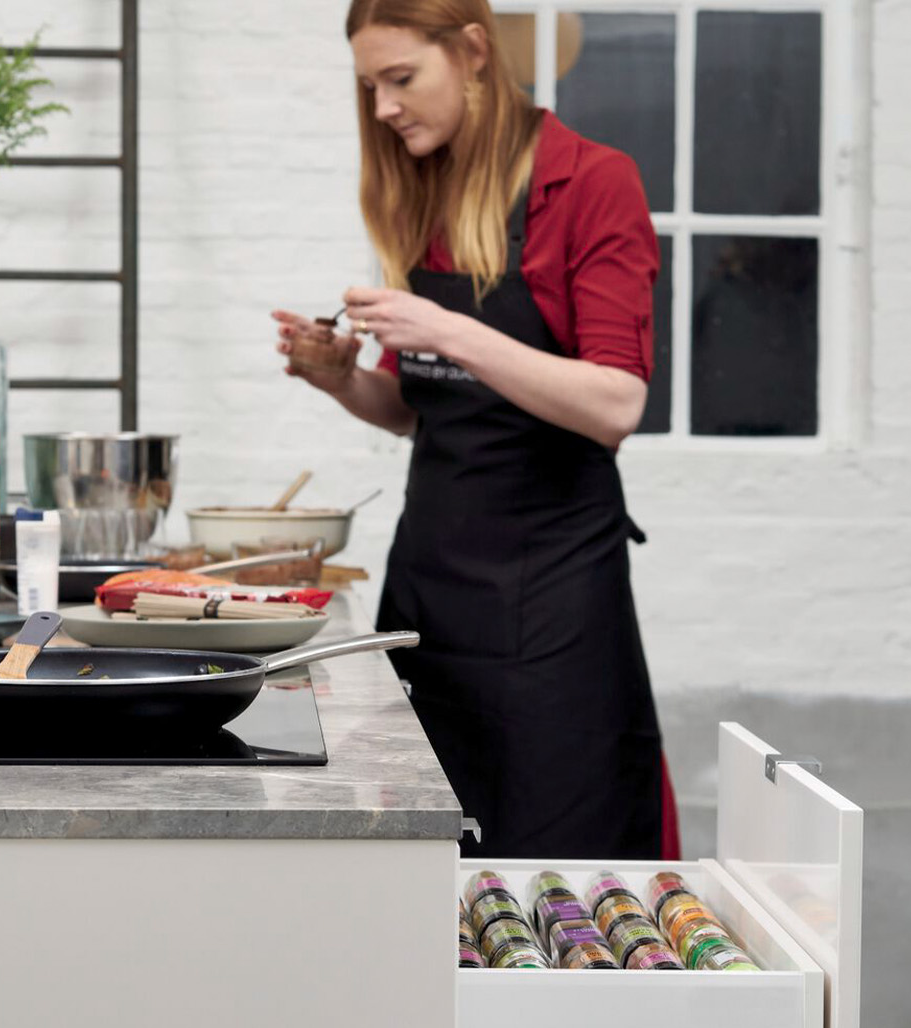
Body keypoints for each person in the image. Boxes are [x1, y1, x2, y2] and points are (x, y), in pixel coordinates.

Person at [273, 0, 679, 862]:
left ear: (472, 51)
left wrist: (448, 330)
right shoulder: (428, 189)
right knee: (420, 857)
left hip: (554, 604)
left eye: (400, 78)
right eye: (369, 87)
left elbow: (616, 403)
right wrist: (341, 376)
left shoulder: (593, 182)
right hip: (429, 591)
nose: (384, 107)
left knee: (552, 866)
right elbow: (417, 406)